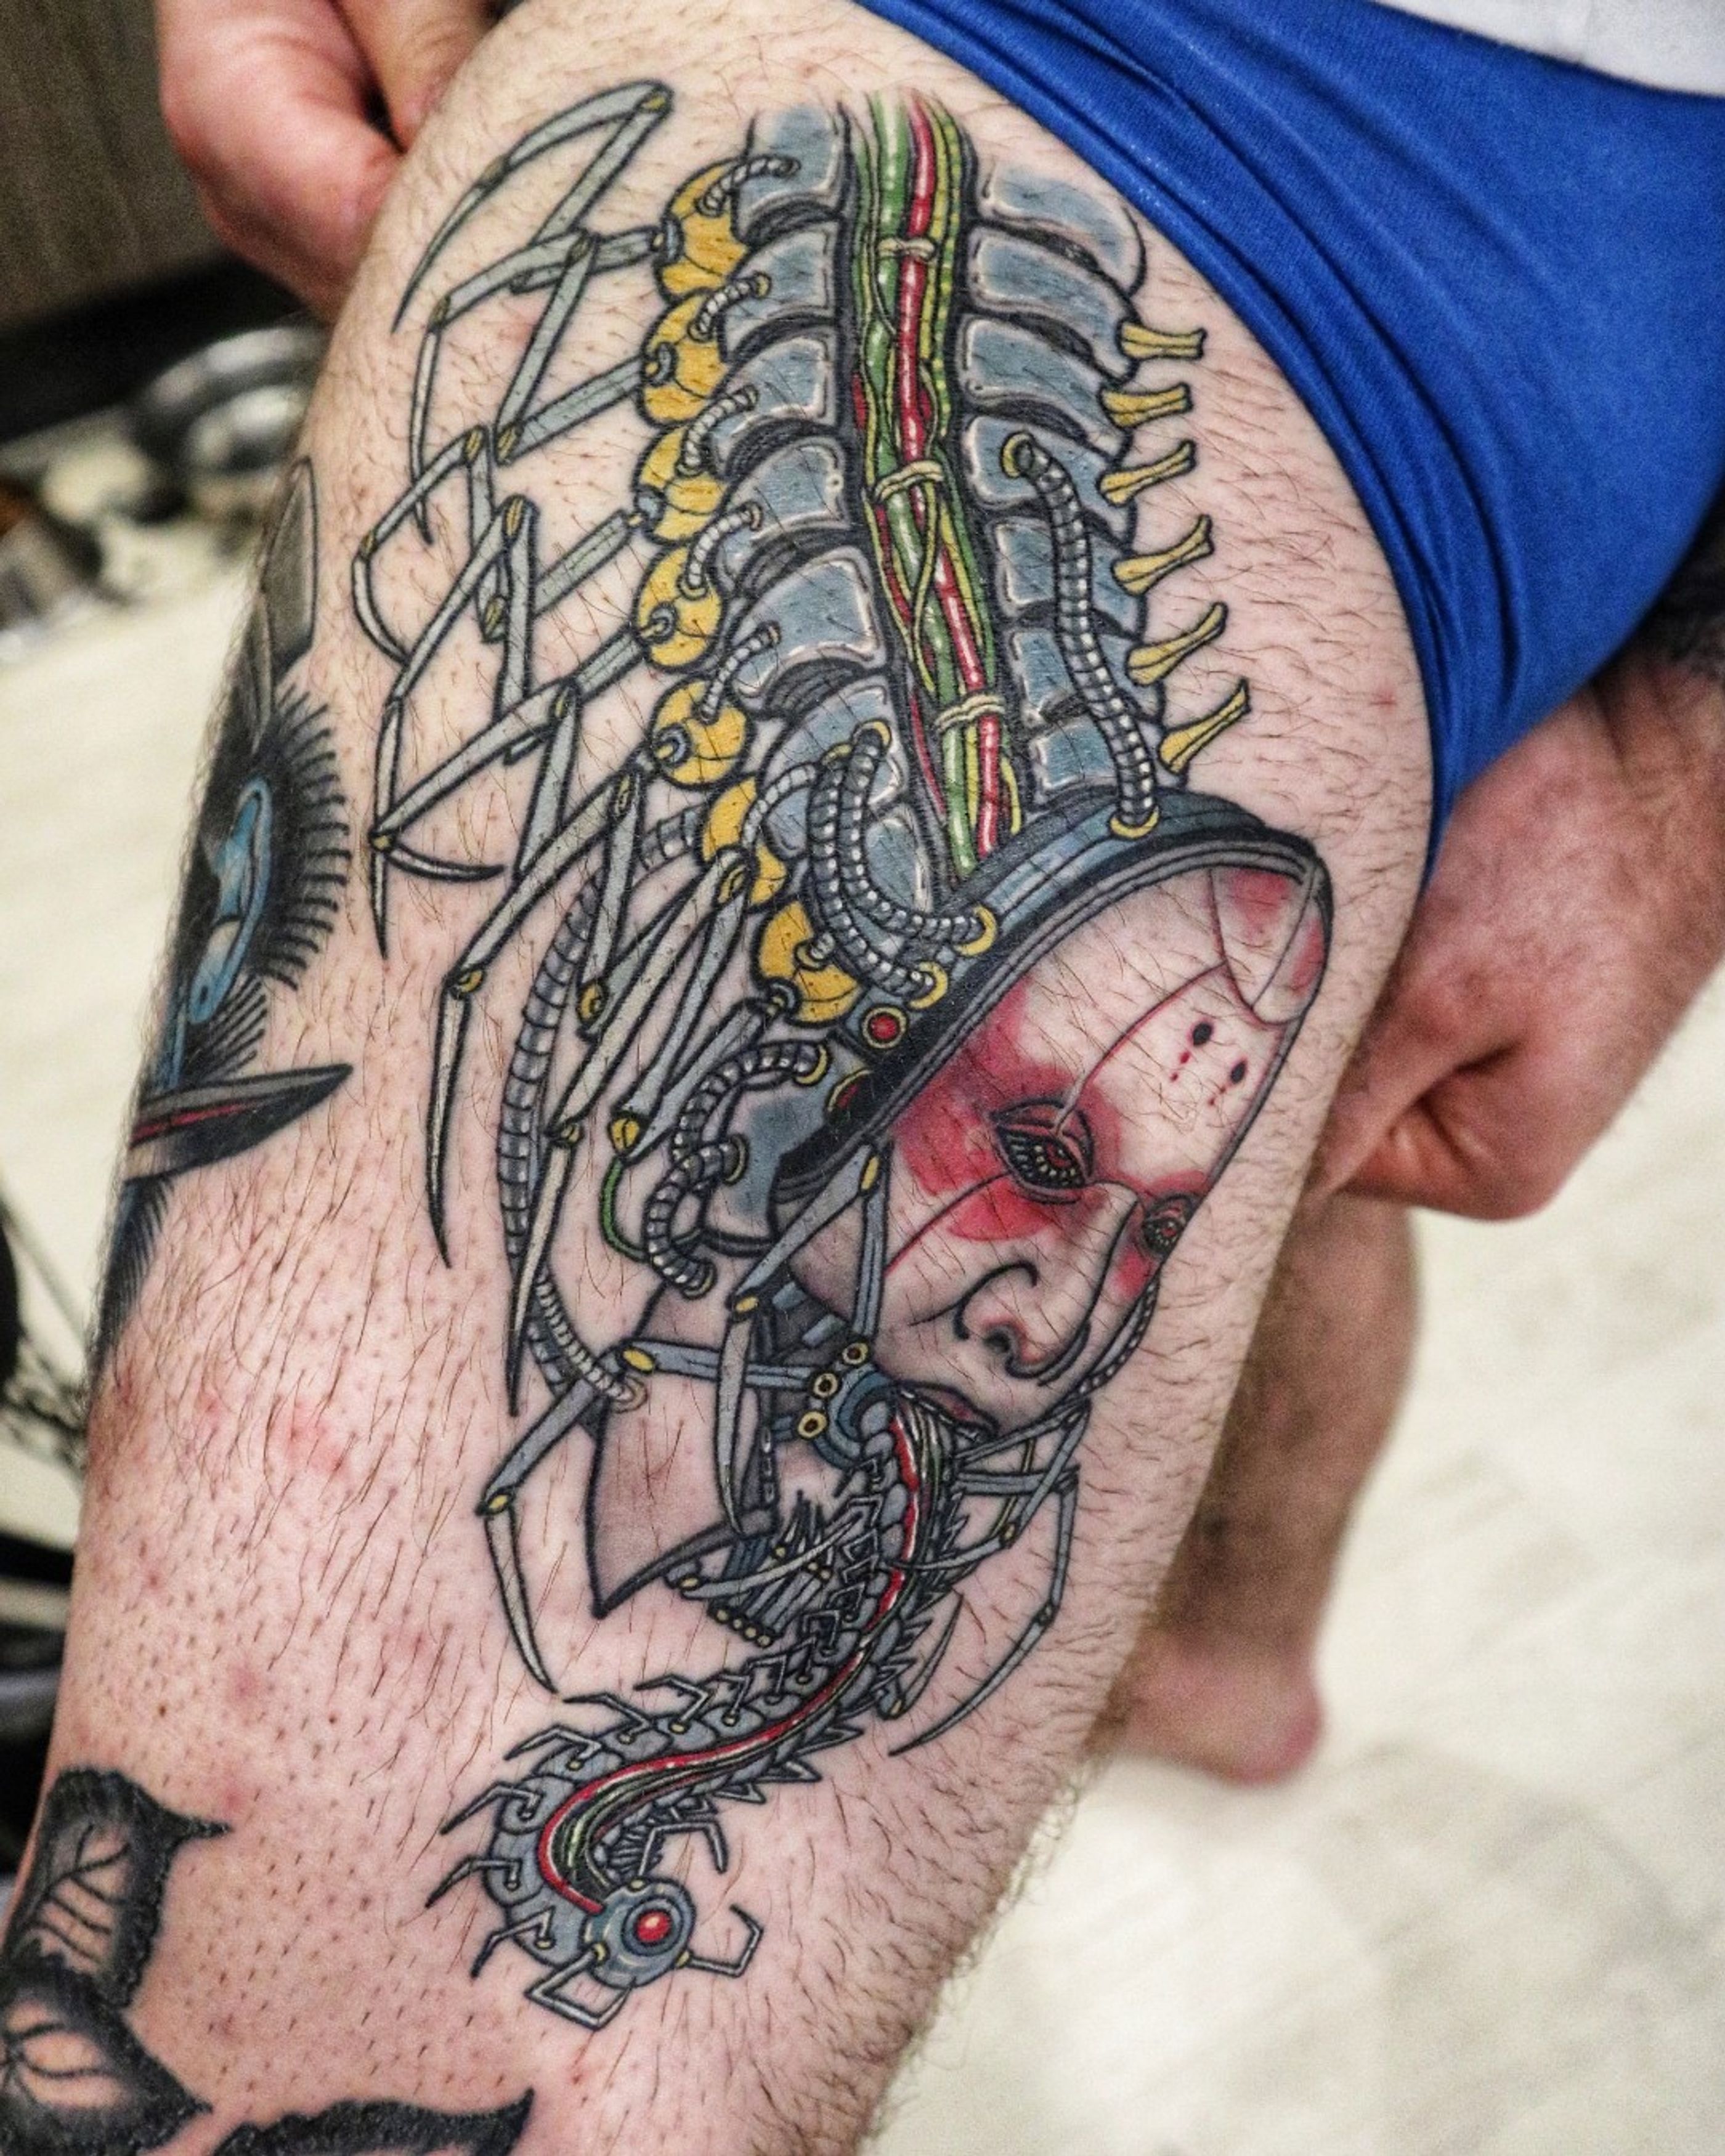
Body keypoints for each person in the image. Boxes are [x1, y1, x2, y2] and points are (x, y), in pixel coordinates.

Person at [1, 4, 1719, 2152]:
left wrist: (1691, 763)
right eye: (1035, 1172)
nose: (1054, 1331)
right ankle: (1218, 1666)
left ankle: (1205, 1654)